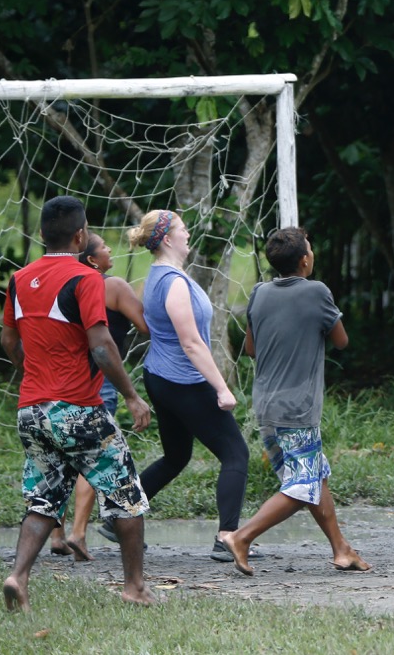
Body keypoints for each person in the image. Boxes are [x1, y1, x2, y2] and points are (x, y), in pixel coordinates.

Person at [0, 196, 155, 610]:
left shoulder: (19, 279)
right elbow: (102, 346)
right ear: (81, 235)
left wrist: (32, 373)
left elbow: (9, 340)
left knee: (44, 499)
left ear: (41, 235)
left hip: (31, 410)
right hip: (77, 408)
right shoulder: (85, 279)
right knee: (125, 494)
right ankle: (135, 587)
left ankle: (18, 576)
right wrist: (131, 395)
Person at [218, 227, 369, 575]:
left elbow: (252, 349)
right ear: (305, 260)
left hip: (265, 404)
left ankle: (341, 549)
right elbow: (341, 340)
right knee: (302, 484)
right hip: (297, 408)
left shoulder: (259, 293)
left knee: (315, 475)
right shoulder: (317, 292)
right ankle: (242, 537)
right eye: (311, 250)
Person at [127, 209, 252, 562]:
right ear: (167, 239)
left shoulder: (159, 275)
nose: (187, 233)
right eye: (182, 229)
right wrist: (222, 388)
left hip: (161, 378)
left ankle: (121, 512)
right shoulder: (174, 282)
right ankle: (228, 537)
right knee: (234, 453)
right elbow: (192, 343)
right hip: (183, 382)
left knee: (176, 456)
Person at [48, 232, 149, 561]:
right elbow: (147, 325)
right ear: (91, 258)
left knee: (61, 458)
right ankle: (79, 532)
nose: (110, 250)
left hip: (61, 380)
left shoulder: (67, 285)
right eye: (104, 247)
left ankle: (57, 534)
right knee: (89, 459)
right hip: (99, 380)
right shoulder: (114, 285)